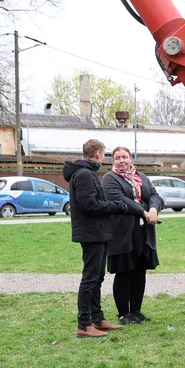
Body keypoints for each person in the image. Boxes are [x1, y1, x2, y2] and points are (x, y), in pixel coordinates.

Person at [64, 139, 129, 339]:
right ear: (98, 154)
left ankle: (97, 318)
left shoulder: (88, 172)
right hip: (91, 233)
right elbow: (89, 205)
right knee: (90, 278)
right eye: (105, 154)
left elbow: (93, 202)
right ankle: (84, 324)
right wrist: (115, 206)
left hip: (98, 232)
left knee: (97, 277)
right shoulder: (84, 174)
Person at [102, 146, 160, 324]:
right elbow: (121, 200)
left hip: (143, 231)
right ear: (113, 160)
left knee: (139, 271)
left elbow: (154, 195)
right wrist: (144, 213)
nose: (122, 161)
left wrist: (153, 209)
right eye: (117, 157)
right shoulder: (109, 179)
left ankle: (136, 311)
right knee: (124, 272)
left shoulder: (141, 177)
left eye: (125, 157)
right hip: (122, 233)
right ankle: (123, 313)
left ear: (130, 159)